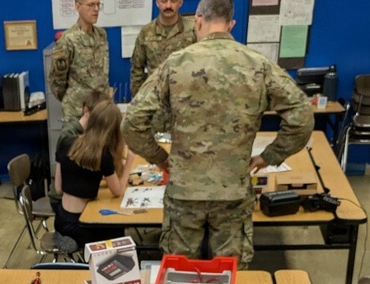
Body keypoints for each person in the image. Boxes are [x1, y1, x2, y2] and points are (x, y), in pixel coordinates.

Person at [123, 0, 312, 265]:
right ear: (231, 24)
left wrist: (159, 158)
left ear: (198, 20)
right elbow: (302, 115)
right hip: (233, 189)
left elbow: (132, 122)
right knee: (230, 273)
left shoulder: (175, 64)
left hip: (185, 192)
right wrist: (269, 156)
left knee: (180, 272)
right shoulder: (258, 65)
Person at [55, 99, 135, 248]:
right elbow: (117, 191)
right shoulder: (102, 154)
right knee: (118, 229)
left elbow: (58, 188)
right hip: (82, 225)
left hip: (61, 220)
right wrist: (129, 163)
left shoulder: (66, 142)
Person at [48, 88, 114, 211]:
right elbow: (62, 184)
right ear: (86, 111)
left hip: (78, 190)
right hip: (62, 198)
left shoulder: (90, 129)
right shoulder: (69, 135)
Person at [48, 0, 110, 121]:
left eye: (98, 4)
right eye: (91, 5)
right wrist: (72, 99)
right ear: (77, 7)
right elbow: (56, 82)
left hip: (101, 109)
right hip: (77, 112)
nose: (96, 9)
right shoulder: (67, 40)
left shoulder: (101, 35)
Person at [129, 0, 196, 97]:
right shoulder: (146, 32)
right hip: (155, 100)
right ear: (157, 2)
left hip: (185, 98)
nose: (168, 5)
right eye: (164, 1)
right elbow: (137, 69)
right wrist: (139, 99)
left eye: (173, 1)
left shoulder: (192, 30)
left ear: (180, 2)